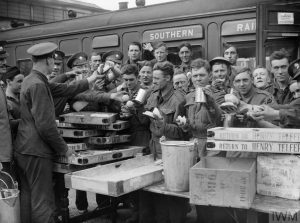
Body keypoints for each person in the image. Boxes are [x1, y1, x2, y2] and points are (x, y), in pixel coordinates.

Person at [14, 42, 100, 223]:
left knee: (28, 198)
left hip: (24, 148)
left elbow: (64, 89)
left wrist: (90, 80)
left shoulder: (33, 79)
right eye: (53, 60)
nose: (55, 64)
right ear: (47, 60)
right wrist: (64, 149)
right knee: (43, 201)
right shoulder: (38, 85)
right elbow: (46, 125)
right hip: (36, 150)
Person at [139, 61, 188, 223]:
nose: (153, 81)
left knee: (173, 196)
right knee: (156, 193)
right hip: (154, 148)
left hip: (172, 152)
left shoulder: (178, 100)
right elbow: (144, 122)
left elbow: (182, 132)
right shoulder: (153, 95)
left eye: (157, 78)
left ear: (168, 78)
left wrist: (163, 126)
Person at [252, 58, 300, 128]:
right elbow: (290, 107)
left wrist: (274, 113)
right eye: (298, 80)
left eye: (283, 67)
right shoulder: (266, 92)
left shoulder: (293, 87)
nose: (280, 72)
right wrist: (260, 109)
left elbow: (295, 112)